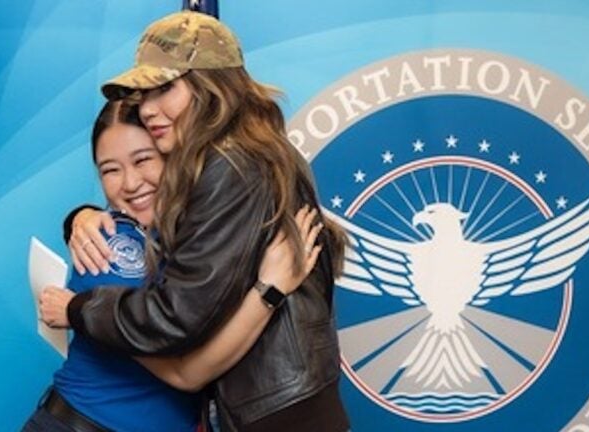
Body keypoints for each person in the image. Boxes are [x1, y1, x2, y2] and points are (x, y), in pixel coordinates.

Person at [40, 10, 349, 431]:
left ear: (212, 85)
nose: (148, 109)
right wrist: (82, 216)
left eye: (164, 88)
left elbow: (175, 320)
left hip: (275, 409)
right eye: (109, 169)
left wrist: (78, 309)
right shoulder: (264, 154)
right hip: (289, 402)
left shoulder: (232, 165)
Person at [27, 101, 322, 432]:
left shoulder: (196, 236)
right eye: (110, 170)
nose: (130, 183)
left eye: (143, 160)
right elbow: (187, 373)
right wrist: (271, 287)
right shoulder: (110, 243)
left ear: (176, 155)